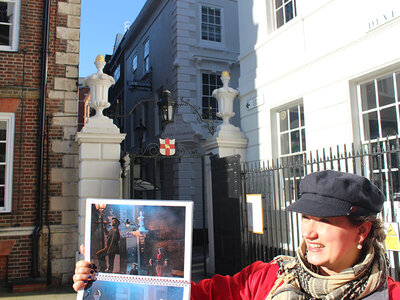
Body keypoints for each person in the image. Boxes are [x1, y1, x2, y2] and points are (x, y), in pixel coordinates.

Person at [73, 170, 400, 298]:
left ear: (363, 229)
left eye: (325, 221)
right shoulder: (267, 277)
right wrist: (100, 279)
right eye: (306, 217)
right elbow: (191, 296)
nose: (310, 232)